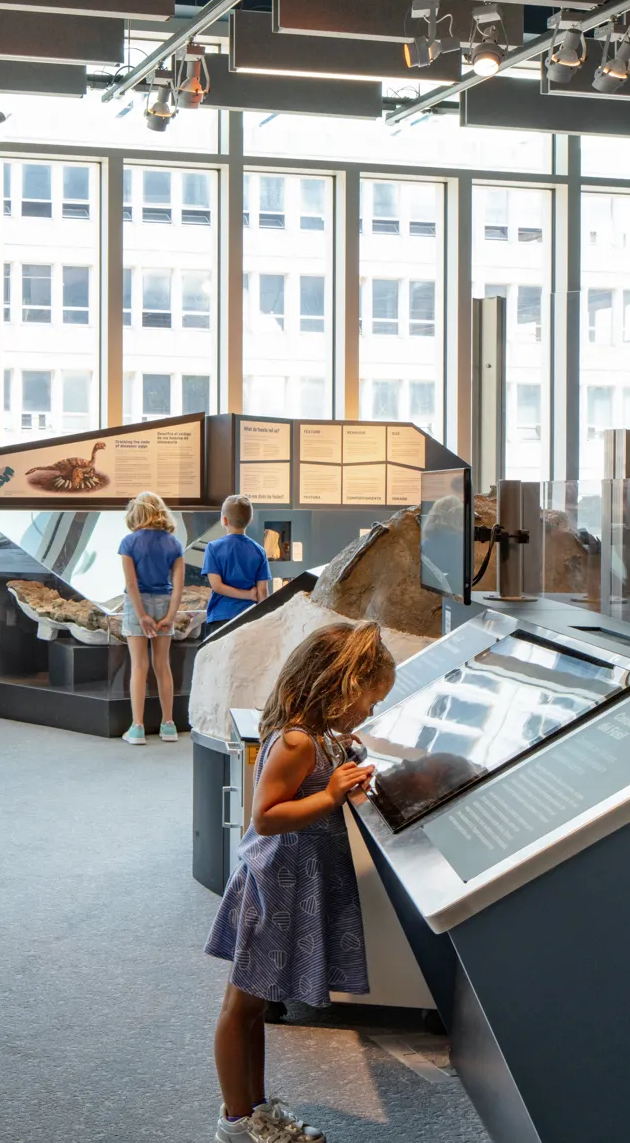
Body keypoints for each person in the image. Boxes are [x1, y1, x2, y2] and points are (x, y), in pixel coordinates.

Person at [206, 622, 395, 1143]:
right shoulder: (295, 742)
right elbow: (265, 817)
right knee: (240, 1007)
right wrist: (330, 794)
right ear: (340, 687)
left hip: (292, 887)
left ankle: (256, 1109)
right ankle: (235, 1122)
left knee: (257, 1006)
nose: (370, 712)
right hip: (273, 889)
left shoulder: (318, 738)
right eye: (369, 701)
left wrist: (345, 765)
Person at [117, 490, 186, 745]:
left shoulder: (129, 542)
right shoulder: (174, 543)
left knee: (139, 666)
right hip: (165, 604)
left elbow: (131, 584)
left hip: (138, 605)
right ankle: (168, 725)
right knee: (162, 665)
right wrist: (169, 616)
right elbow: (178, 587)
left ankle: (137, 728)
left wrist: (141, 615)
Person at [203, 496, 273, 628]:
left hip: (221, 618)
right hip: (250, 617)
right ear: (250, 521)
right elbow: (262, 591)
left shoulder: (213, 548)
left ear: (224, 520)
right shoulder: (259, 551)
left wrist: (247, 595)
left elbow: (217, 586)